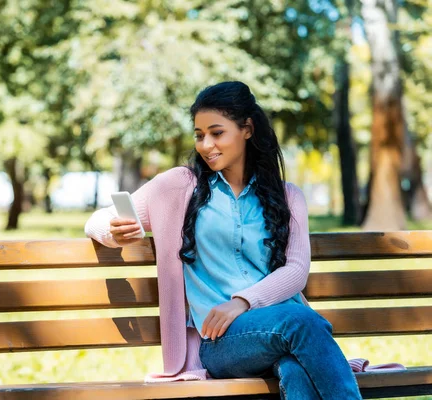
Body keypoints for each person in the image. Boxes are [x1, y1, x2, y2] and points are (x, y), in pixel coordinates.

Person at [84, 81, 362, 399]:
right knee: (303, 321)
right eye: (199, 135)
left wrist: (241, 302)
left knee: (296, 368)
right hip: (221, 341)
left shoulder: (287, 196)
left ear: (247, 129)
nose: (205, 145)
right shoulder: (178, 187)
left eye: (217, 133)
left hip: (282, 327)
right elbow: (97, 220)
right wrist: (114, 231)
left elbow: (296, 270)